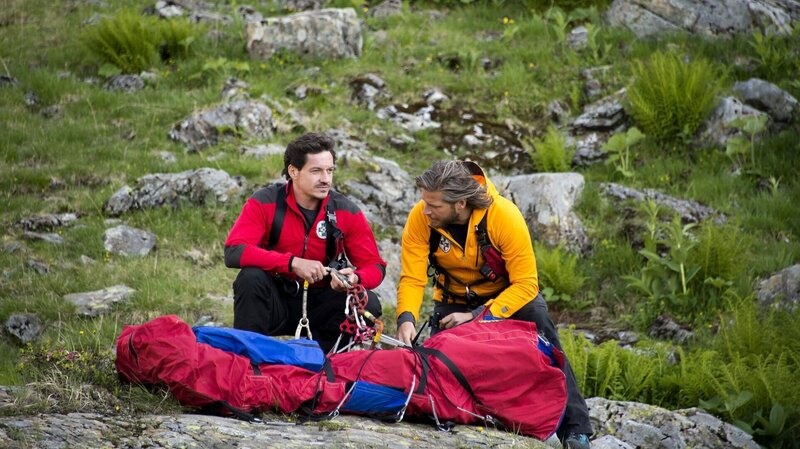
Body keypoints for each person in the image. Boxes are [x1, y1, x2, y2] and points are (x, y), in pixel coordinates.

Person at [395, 160, 593, 449]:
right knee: (440, 367)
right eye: (425, 203)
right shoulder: (421, 218)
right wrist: (406, 319)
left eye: (433, 206)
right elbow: (412, 277)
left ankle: (575, 429)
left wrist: (477, 316)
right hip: (452, 301)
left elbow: (527, 284)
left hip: (509, 298)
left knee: (542, 326)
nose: (425, 211)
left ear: (460, 203)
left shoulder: (503, 216)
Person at [224, 132, 386, 353]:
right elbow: (234, 251)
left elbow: (376, 266)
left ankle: (327, 369)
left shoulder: (345, 211)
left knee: (368, 302)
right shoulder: (265, 201)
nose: (326, 179)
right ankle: (249, 364)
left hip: (321, 304)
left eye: (330, 171)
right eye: (316, 171)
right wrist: (292, 263)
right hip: (274, 299)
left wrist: (355, 277)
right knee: (250, 278)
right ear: (293, 171)